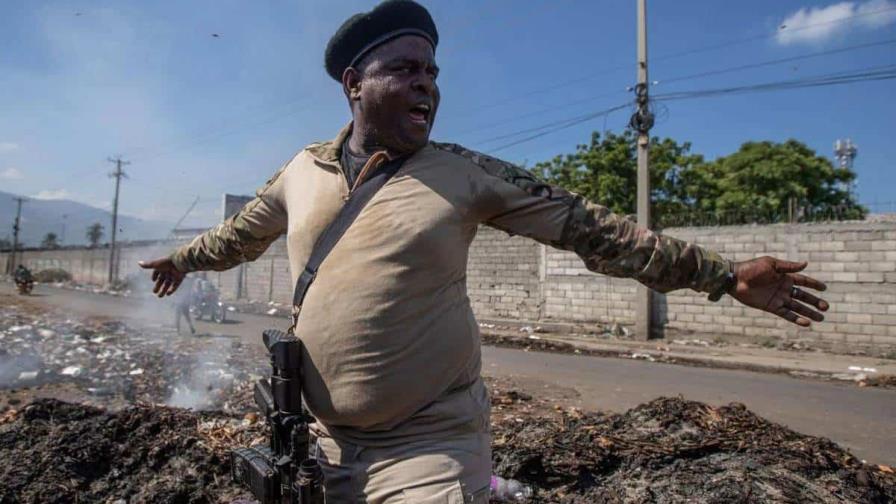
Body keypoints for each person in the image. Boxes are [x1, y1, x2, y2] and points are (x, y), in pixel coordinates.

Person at [139, 1, 830, 501]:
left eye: (433, 73)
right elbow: (239, 235)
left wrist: (723, 274)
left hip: (427, 443)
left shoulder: (466, 175)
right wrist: (182, 260)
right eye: (406, 69)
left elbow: (596, 230)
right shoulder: (300, 172)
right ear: (354, 83)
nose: (428, 84)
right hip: (318, 443)